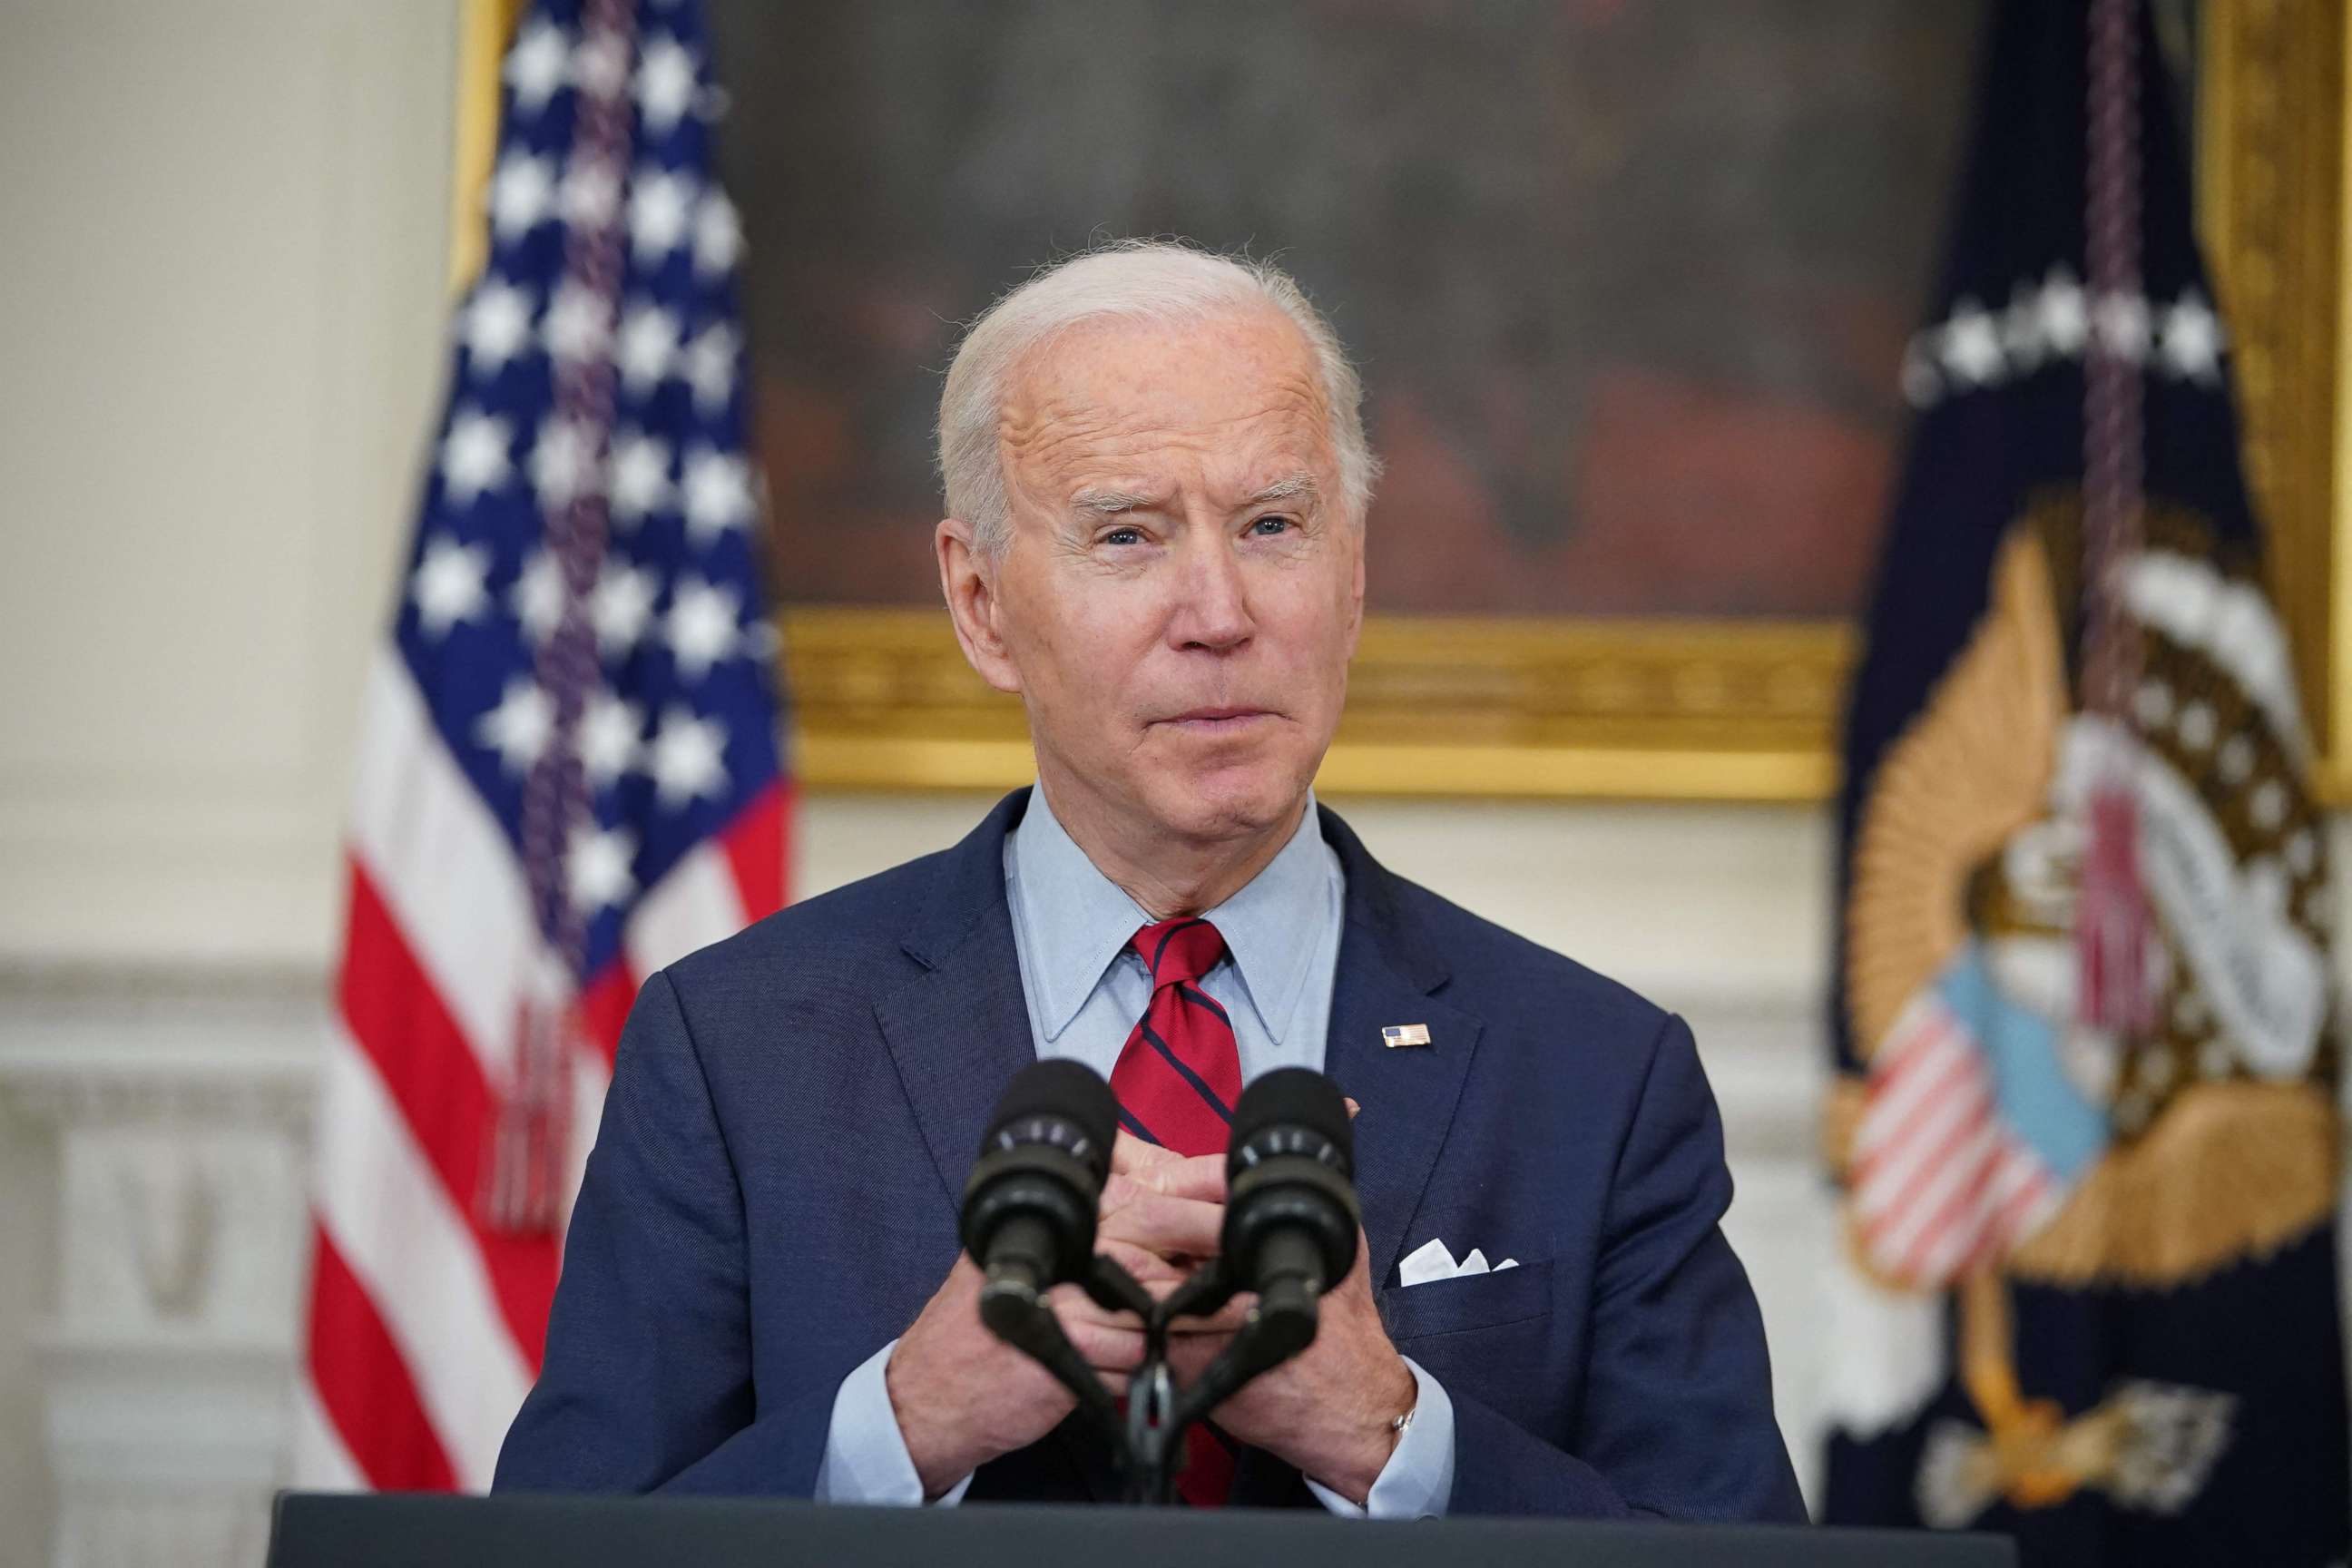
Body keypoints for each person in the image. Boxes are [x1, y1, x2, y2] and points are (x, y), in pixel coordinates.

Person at [495, 240, 1806, 1519]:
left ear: (1354, 577)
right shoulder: (737, 1051)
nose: (1221, 612)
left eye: (1274, 525)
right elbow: (553, 1555)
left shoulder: (1593, 1075)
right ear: (980, 604)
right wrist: (901, 1426)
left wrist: (1393, 1441)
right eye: (1128, 536)